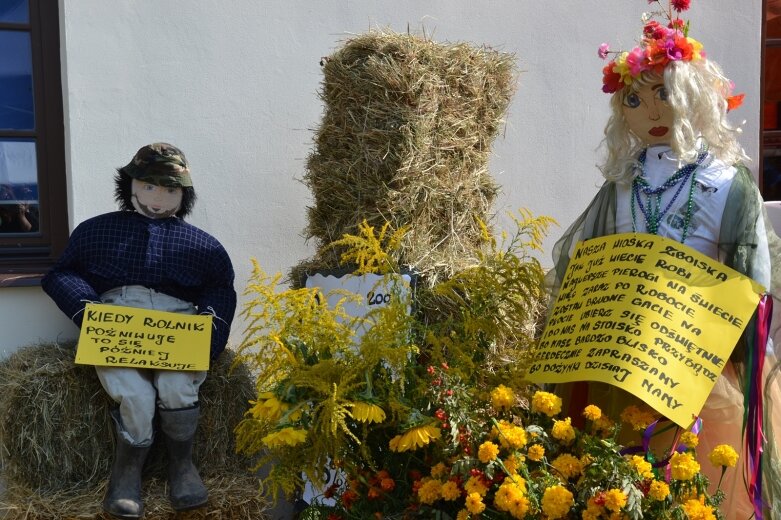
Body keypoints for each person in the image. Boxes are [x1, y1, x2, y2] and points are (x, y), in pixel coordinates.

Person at [547, 3, 781, 517]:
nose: (651, 111)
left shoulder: (726, 180)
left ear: (693, 95)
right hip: (623, 357)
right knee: (621, 476)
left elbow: (753, 276)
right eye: (634, 98)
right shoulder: (620, 185)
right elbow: (586, 262)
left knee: (705, 481)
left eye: (664, 93)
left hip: (700, 358)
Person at [42, 143, 237, 519]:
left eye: (169, 190)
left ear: (184, 194)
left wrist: (212, 330)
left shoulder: (204, 246)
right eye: (148, 187)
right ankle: (126, 474)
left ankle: (183, 468)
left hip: (177, 328)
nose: (158, 198)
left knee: (177, 387)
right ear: (130, 185)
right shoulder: (95, 231)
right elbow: (62, 273)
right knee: (134, 395)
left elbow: (220, 288)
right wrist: (87, 309)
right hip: (116, 325)